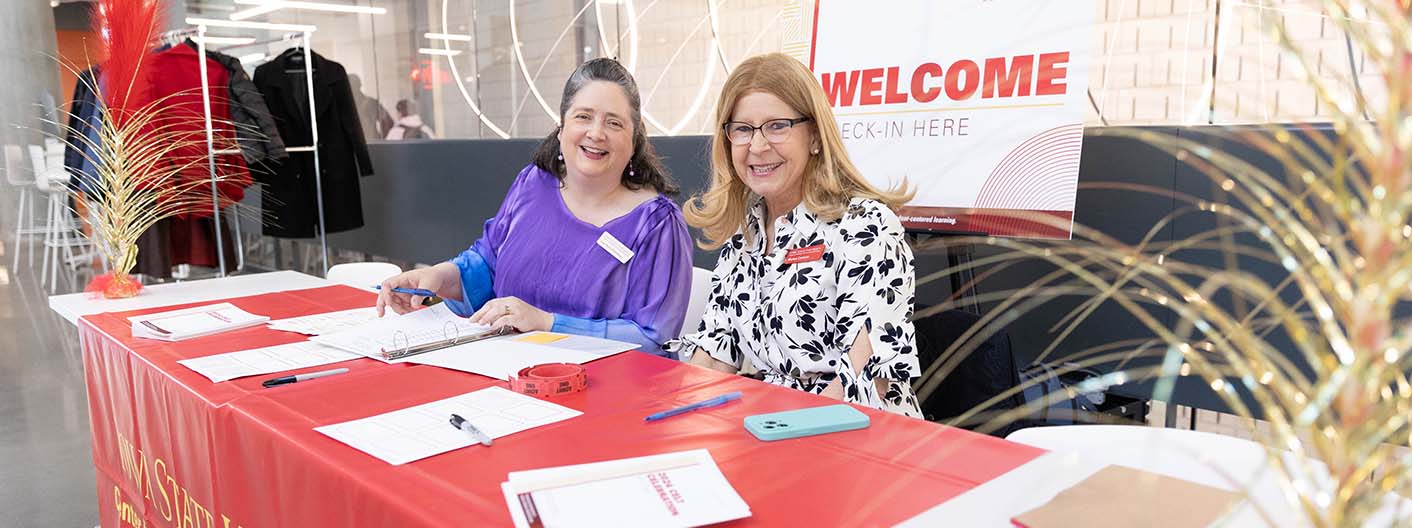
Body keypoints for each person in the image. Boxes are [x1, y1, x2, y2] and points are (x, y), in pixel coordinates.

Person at [377, 58, 693, 358]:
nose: (596, 133)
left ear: (634, 139)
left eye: (614, 123)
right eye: (583, 116)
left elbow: (654, 339)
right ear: (561, 128)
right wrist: (436, 276)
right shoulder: (533, 184)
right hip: (511, 376)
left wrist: (546, 322)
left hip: (609, 395)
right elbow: (488, 264)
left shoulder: (656, 224)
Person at [669, 53, 923, 416]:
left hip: (854, 435)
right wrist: (678, 417)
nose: (757, 146)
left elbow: (864, 380)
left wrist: (775, 436)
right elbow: (714, 353)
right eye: (742, 129)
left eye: (777, 126)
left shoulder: (867, 225)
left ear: (816, 137)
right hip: (765, 427)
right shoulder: (745, 237)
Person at [348, 74, 393, 140]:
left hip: (370, 144)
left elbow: (388, 121)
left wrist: (381, 139)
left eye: (353, 85)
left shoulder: (370, 103)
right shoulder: (343, 105)